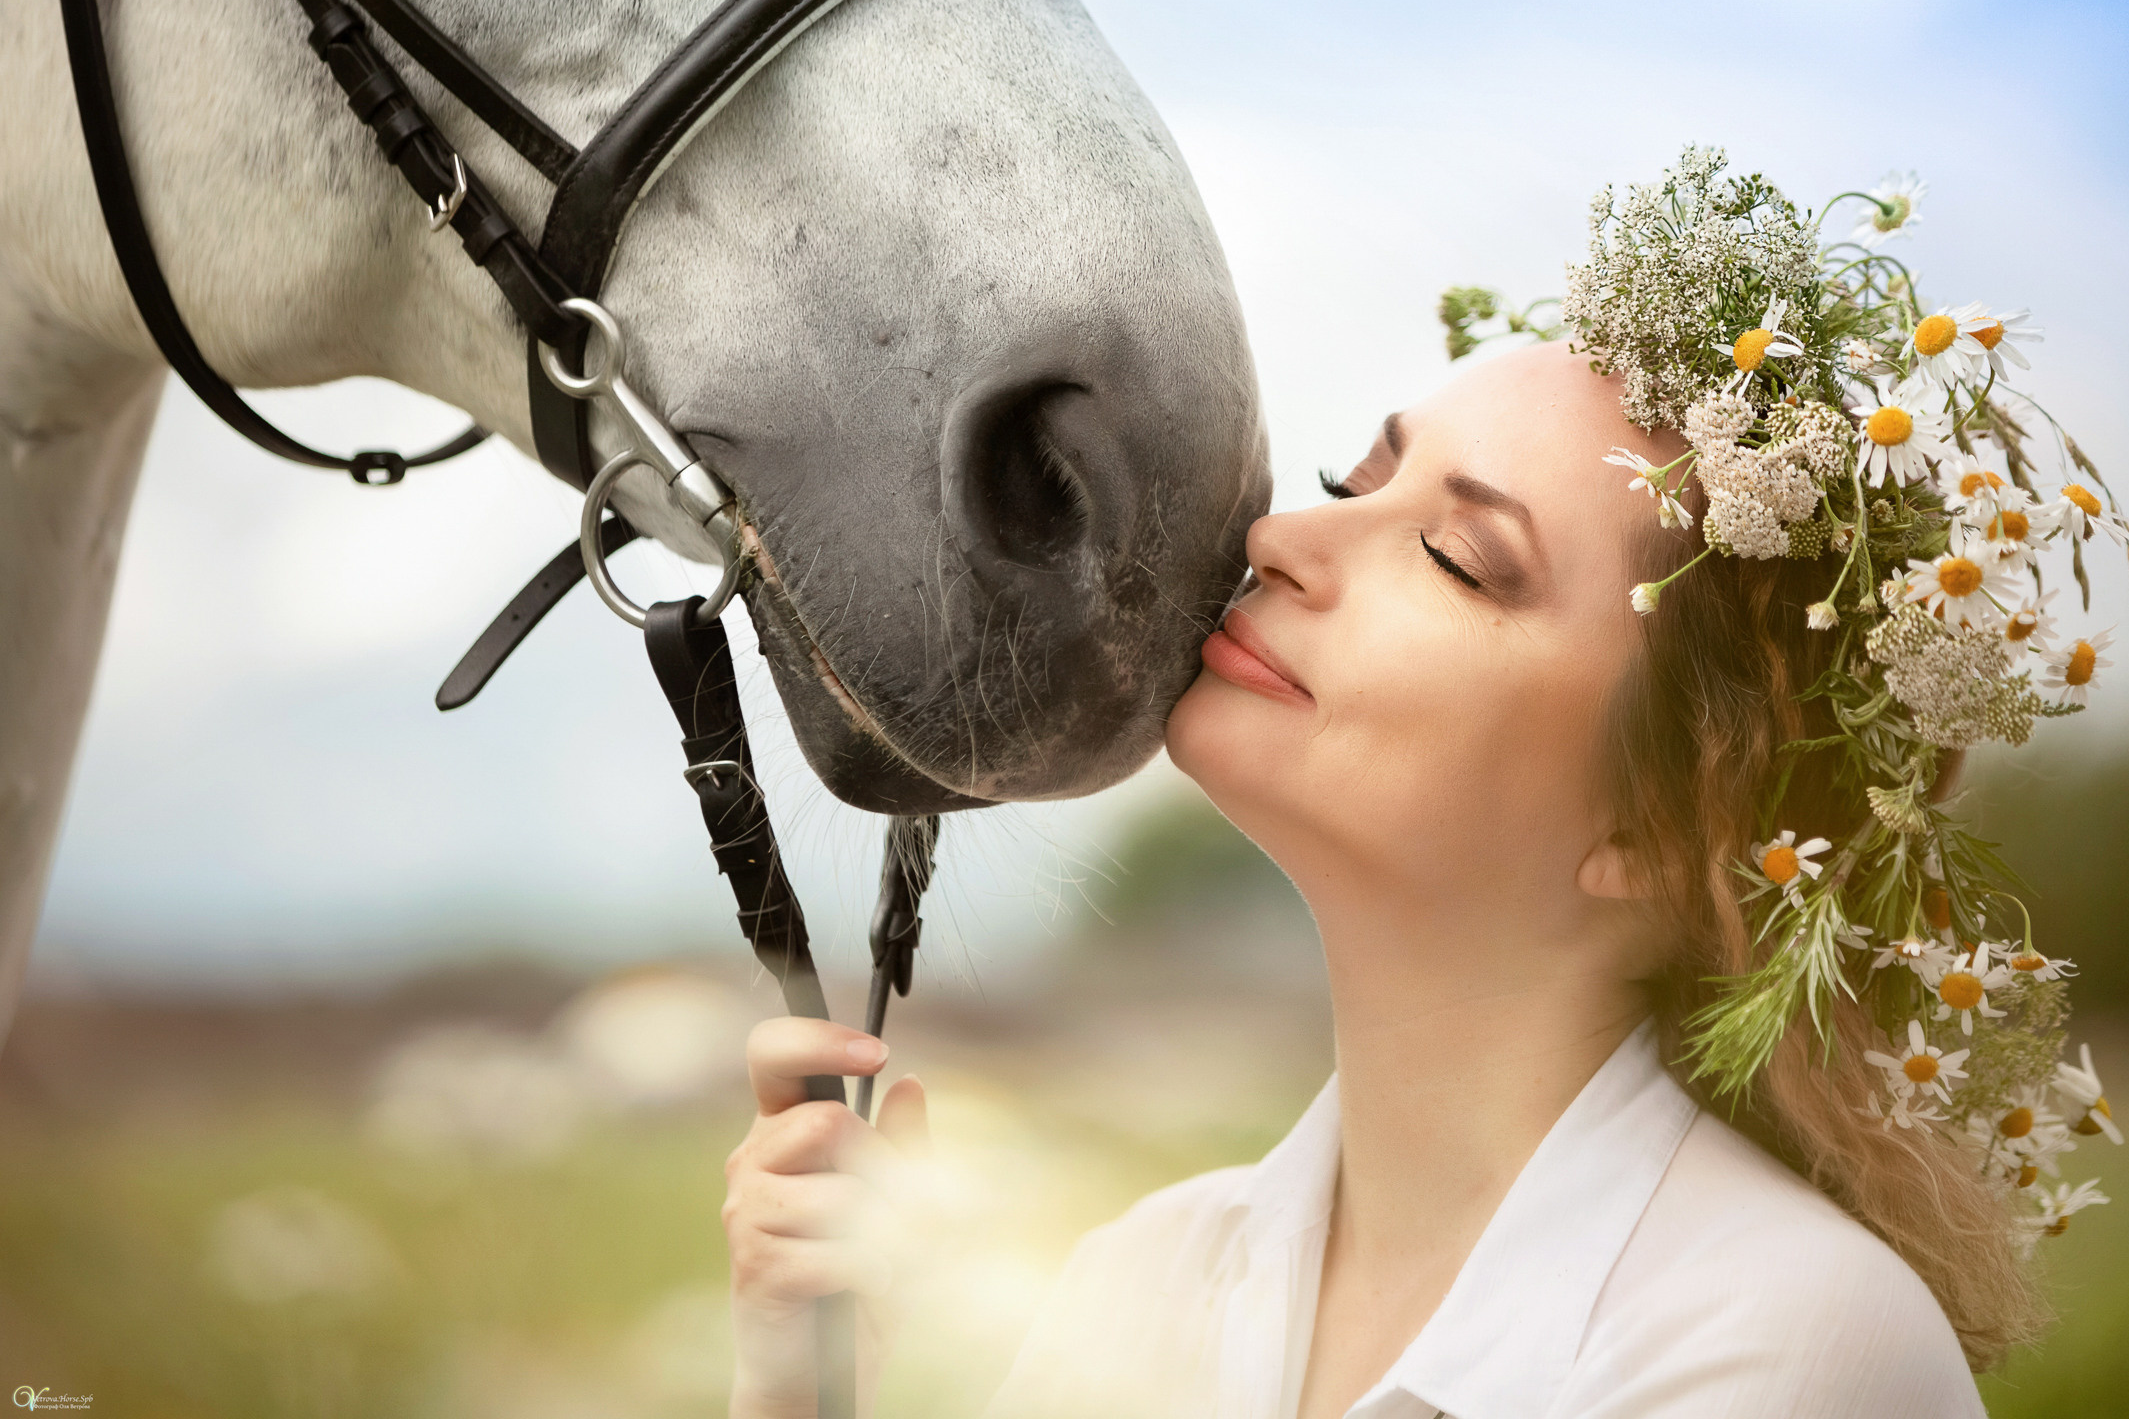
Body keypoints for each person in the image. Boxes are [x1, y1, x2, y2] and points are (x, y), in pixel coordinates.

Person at [720, 342, 2031, 1418]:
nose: (1286, 535)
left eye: (1460, 558)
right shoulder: (1138, 1285)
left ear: (1673, 826)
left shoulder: (1791, 1346)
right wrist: (807, 1393)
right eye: (1352, 480)